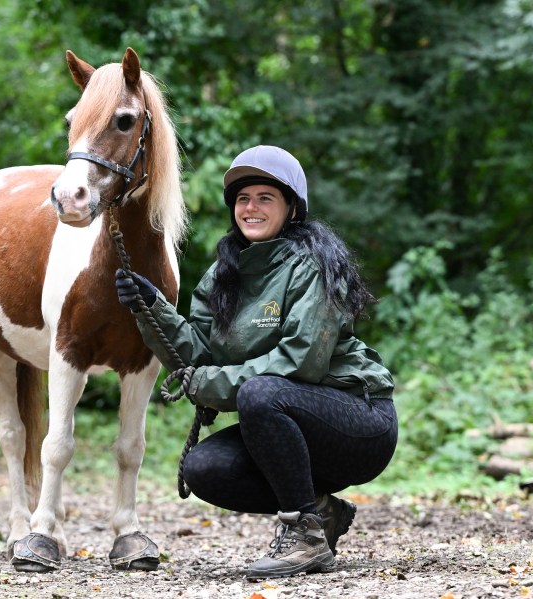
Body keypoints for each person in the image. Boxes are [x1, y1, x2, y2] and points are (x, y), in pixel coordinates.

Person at [115, 145, 398, 580]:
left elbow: (301, 362)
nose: (251, 208)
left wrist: (209, 384)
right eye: (243, 199)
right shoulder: (223, 275)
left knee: (260, 392)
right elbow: (198, 356)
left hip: (360, 423)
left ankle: (304, 536)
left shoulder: (313, 264)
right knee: (205, 468)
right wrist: (151, 309)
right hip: (288, 423)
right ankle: (321, 511)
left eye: (265, 198)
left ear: (292, 208)